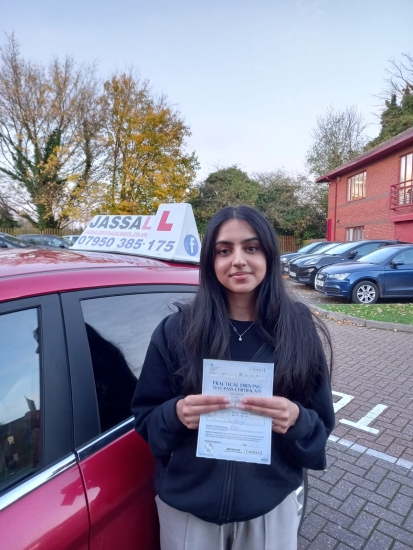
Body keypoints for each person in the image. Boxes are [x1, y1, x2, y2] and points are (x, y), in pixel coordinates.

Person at [131, 206, 335, 550]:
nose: (238, 260)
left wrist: (296, 420)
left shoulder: (299, 330)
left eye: (251, 248)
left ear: (269, 255)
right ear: (210, 261)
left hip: (268, 510)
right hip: (188, 512)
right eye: (224, 250)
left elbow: (320, 429)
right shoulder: (176, 330)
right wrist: (177, 414)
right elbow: (146, 420)